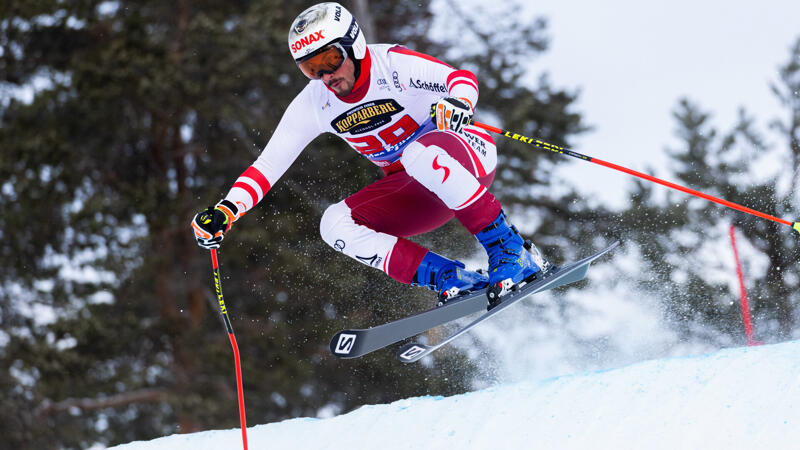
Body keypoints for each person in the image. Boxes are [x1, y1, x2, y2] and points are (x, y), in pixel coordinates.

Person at [191, 2, 550, 305]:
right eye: (310, 68)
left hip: (466, 158)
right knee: (333, 224)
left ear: (355, 45)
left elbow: (460, 80)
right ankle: (449, 277)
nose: (325, 75)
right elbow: (268, 165)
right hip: (415, 190)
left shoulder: (392, 65)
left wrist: (458, 102)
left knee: (416, 154)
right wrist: (227, 209)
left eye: (331, 59)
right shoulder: (315, 102)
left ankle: (509, 249)